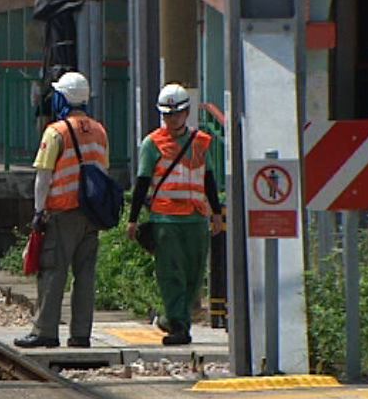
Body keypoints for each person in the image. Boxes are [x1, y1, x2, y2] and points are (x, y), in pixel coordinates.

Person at [14, 71, 109, 349]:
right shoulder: (100, 131)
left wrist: (38, 212)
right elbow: (102, 171)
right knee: (85, 275)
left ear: (61, 98)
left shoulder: (56, 132)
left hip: (62, 213)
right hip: (91, 215)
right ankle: (81, 334)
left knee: (53, 271)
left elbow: (43, 177)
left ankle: (45, 331)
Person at [126, 83, 224, 345]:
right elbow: (142, 184)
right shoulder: (152, 143)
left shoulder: (201, 142)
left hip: (195, 217)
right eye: (167, 114)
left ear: (187, 112)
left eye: (177, 113)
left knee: (193, 274)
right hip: (165, 219)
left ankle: (175, 319)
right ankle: (179, 325)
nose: (172, 119)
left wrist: (216, 213)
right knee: (171, 273)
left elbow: (209, 179)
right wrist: (133, 220)